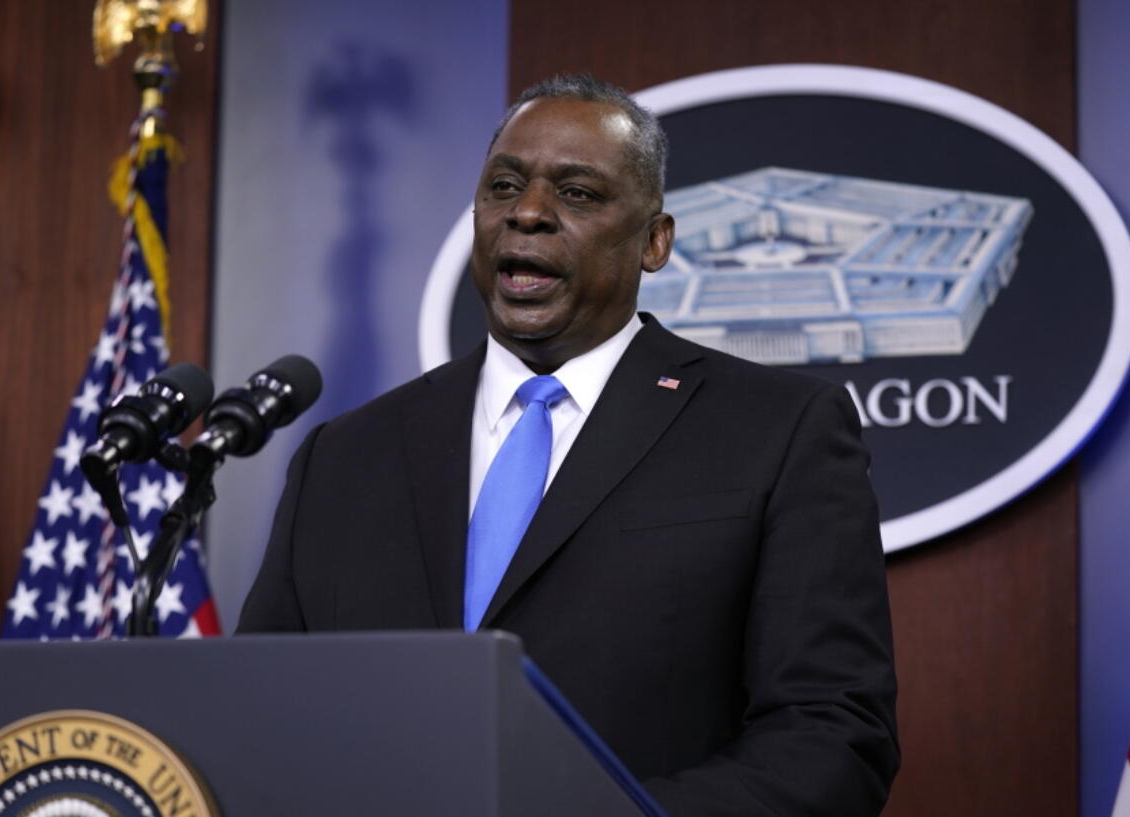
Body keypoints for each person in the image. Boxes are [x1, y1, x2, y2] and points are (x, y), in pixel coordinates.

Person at [239, 74, 900, 816]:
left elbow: (833, 734)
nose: (527, 213)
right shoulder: (344, 457)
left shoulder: (777, 430)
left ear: (654, 242)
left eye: (577, 193)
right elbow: (261, 715)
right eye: (503, 187)